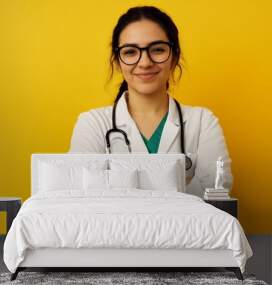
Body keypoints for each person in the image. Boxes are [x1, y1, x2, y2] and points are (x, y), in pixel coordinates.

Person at [68, 6, 233, 197]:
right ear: (117, 62)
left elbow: (217, 194)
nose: (145, 62)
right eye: (130, 52)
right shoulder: (93, 124)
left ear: (174, 57)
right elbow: (83, 196)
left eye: (157, 50)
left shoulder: (203, 121)